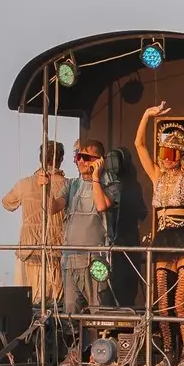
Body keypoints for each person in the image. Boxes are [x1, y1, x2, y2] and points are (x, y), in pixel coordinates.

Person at [134, 104, 184, 366]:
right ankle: (168, 353)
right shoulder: (157, 177)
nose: (165, 158)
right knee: (162, 303)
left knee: (180, 300)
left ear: (180, 154)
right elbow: (139, 145)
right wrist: (146, 115)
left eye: (171, 153)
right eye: (163, 153)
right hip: (164, 239)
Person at [60, 139, 120, 334]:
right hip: (70, 260)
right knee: (70, 310)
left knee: (98, 307)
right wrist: (44, 187)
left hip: (96, 258)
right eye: (78, 157)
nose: (80, 161)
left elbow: (102, 205)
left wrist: (95, 177)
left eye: (86, 157)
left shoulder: (111, 183)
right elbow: (53, 207)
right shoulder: (71, 185)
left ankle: (100, 353)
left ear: (99, 161)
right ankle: (74, 353)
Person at [1, 140, 67, 299]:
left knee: (33, 300)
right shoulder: (68, 185)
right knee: (57, 303)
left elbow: (7, 203)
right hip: (57, 251)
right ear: (60, 159)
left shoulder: (24, 183)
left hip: (29, 251)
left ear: (40, 158)